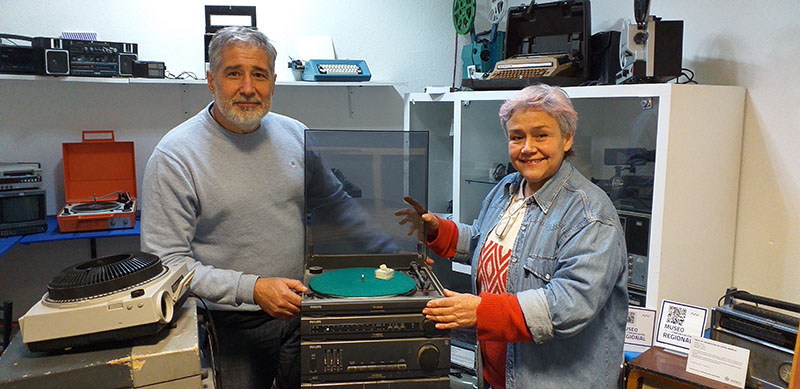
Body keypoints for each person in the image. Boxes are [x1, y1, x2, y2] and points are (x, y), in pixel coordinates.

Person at [140, 26, 346, 388]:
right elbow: (168, 264)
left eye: (259, 75)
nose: (248, 88)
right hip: (227, 326)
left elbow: (334, 203)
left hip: (302, 311)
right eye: (234, 73)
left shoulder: (296, 134)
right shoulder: (175, 156)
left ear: (274, 82)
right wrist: (252, 289)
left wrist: (391, 245)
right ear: (210, 80)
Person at [397, 84, 628, 388]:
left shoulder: (590, 213)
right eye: (517, 137)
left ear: (567, 138)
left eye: (541, 135)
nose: (527, 148)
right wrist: (438, 230)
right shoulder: (508, 188)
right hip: (497, 376)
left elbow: (570, 304)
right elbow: (485, 241)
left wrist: (481, 312)